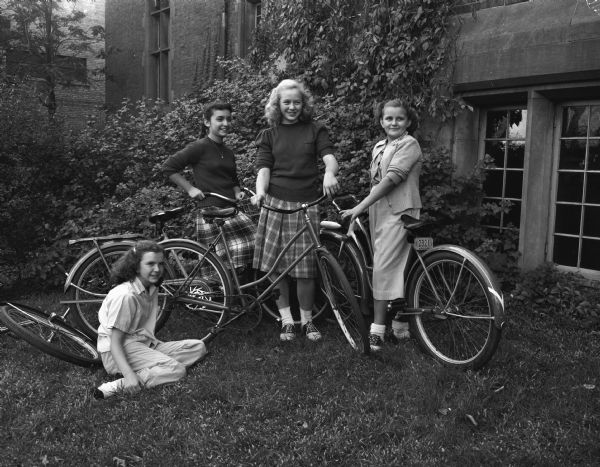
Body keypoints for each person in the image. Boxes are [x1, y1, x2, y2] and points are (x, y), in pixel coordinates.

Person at [252, 79, 340, 342]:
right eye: (286, 102)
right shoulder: (269, 134)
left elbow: (329, 157)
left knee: (305, 269)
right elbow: (263, 168)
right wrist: (260, 192)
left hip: (306, 205)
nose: (292, 106)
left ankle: (307, 320)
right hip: (276, 204)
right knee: (277, 268)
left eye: (296, 102)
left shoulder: (315, 130)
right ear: (277, 105)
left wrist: (329, 174)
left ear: (304, 104)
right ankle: (287, 320)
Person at [340, 99, 422, 351]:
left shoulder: (409, 144)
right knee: (394, 267)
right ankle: (400, 322)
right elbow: (375, 183)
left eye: (399, 118)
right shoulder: (379, 146)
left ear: (408, 122)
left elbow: (391, 180)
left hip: (400, 212)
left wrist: (359, 208)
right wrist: (366, 209)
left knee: (383, 268)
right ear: (381, 121)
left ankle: (377, 330)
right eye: (389, 118)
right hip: (379, 212)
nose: (393, 122)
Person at [93, 240, 207, 399]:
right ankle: (122, 383)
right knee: (177, 370)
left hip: (142, 343)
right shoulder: (125, 296)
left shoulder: (151, 287)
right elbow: (115, 343)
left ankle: (154, 367)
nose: (157, 269)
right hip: (117, 352)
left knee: (198, 347)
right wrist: (129, 375)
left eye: (160, 264)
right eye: (150, 264)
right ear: (136, 266)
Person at [162, 101, 256, 270]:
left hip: (230, 210)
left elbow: (233, 179)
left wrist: (237, 192)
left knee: (257, 243)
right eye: (220, 119)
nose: (225, 124)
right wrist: (190, 189)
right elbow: (169, 167)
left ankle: (240, 291)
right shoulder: (199, 147)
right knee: (222, 263)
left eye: (228, 119)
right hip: (210, 212)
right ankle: (222, 293)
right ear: (207, 122)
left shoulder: (227, 152)